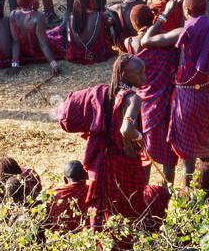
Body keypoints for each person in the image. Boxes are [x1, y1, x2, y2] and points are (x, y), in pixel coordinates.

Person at [137, 0, 209, 187]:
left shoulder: (183, 32)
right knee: (204, 149)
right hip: (206, 94)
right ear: (204, 9)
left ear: (187, 11)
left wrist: (165, 15)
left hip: (185, 95)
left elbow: (146, 41)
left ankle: (187, 206)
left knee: (188, 159)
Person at [56, 55, 157, 233]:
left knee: (103, 210)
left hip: (102, 163)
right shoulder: (132, 98)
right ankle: (125, 248)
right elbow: (126, 129)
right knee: (129, 209)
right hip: (123, 165)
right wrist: (140, 139)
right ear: (125, 74)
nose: (144, 77)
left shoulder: (105, 93)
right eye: (139, 73)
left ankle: (101, 246)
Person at [44, 160, 92, 232]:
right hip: (88, 238)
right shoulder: (92, 193)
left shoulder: (53, 196)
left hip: (60, 240)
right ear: (86, 177)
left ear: (65, 180)